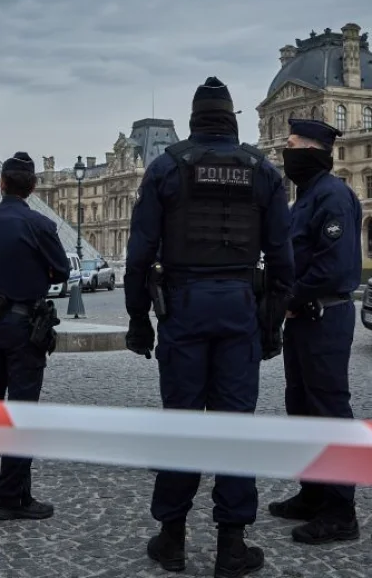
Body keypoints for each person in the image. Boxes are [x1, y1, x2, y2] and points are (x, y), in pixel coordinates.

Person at [124, 78, 295, 578]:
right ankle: (231, 545)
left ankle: (172, 538)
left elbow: (138, 256)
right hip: (241, 305)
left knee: (181, 423)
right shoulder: (262, 170)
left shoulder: (166, 167)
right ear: (233, 119)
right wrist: (271, 325)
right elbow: (283, 258)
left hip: (183, 306)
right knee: (235, 426)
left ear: (195, 119)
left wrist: (139, 320)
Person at [269, 118, 362, 544]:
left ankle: (341, 511)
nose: (286, 152)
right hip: (305, 318)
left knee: (329, 412)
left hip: (323, 315)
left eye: (291, 145)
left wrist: (291, 296)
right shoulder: (306, 197)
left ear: (312, 150)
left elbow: (335, 267)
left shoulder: (333, 196)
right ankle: (312, 492)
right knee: (301, 407)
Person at [0, 151, 70, 520]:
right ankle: (12, 498)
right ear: (34, 187)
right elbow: (60, 271)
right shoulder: (39, 224)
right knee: (20, 412)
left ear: (1, 182)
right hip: (25, 325)